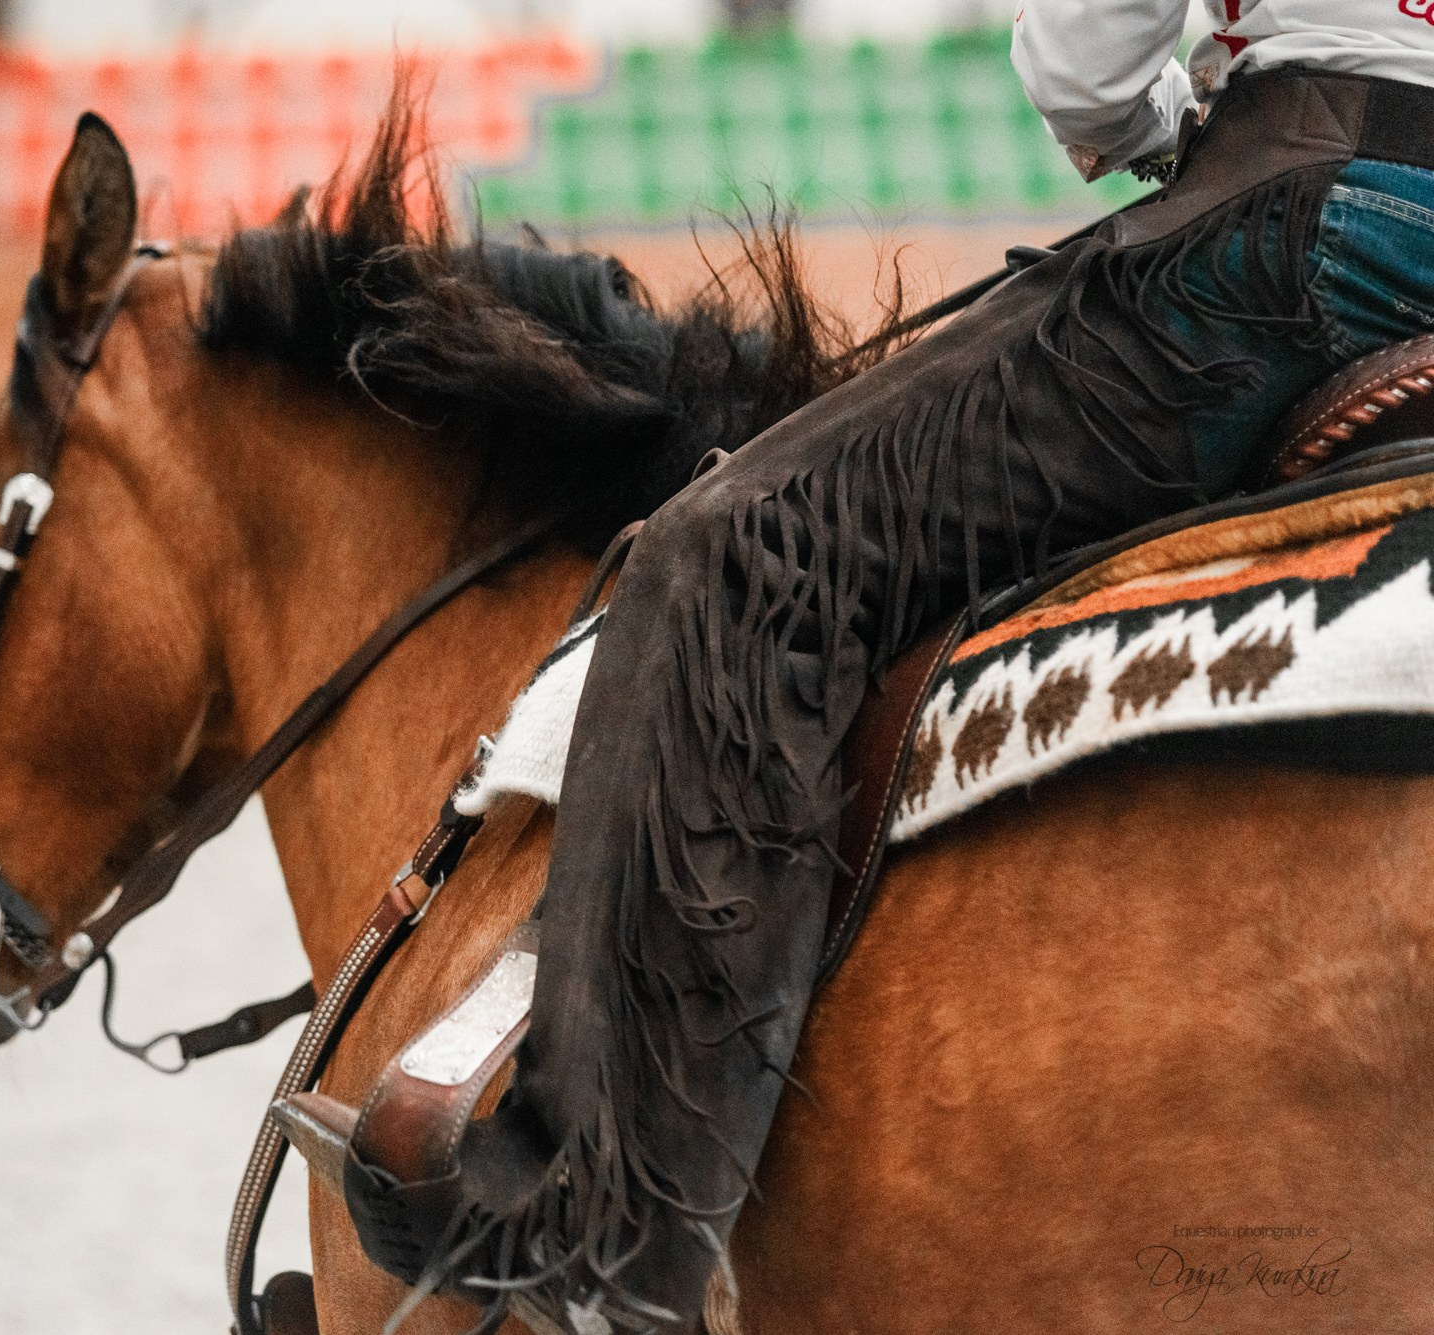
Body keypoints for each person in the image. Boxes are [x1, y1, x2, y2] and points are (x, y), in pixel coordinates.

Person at [345, 2, 1434, 1331]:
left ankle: (615, 1247)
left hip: (1308, 219)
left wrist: (1179, 133)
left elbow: (1085, 71)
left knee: (741, 551)